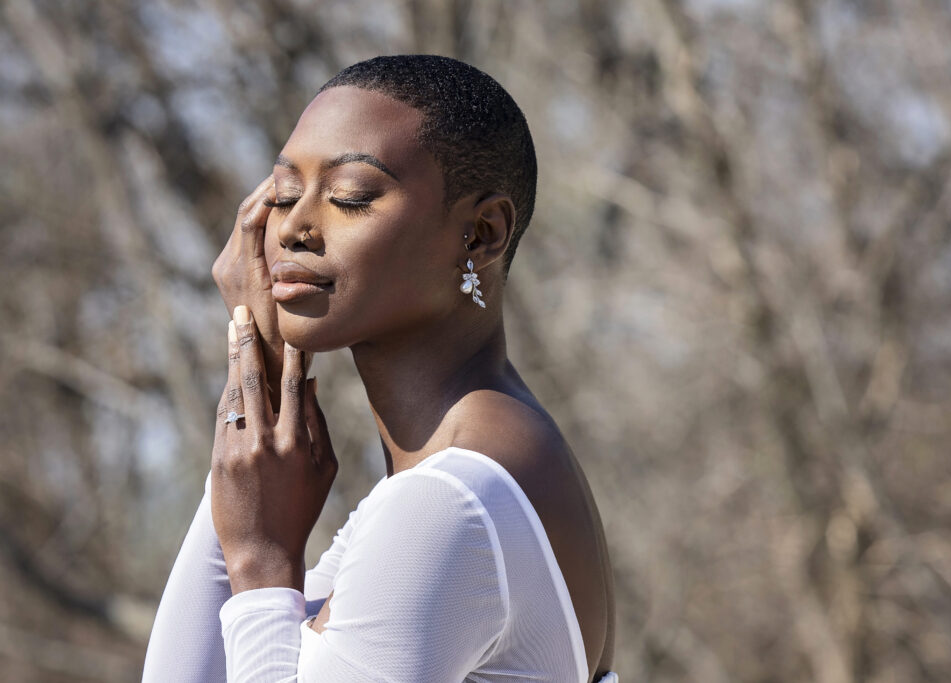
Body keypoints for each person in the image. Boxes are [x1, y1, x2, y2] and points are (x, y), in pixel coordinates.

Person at [142, 55, 617, 683]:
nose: (294, 229)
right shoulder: (452, 475)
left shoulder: (449, 502)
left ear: (480, 233)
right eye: (284, 195)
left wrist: (261, 562)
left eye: (349, 197)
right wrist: (256, 379)